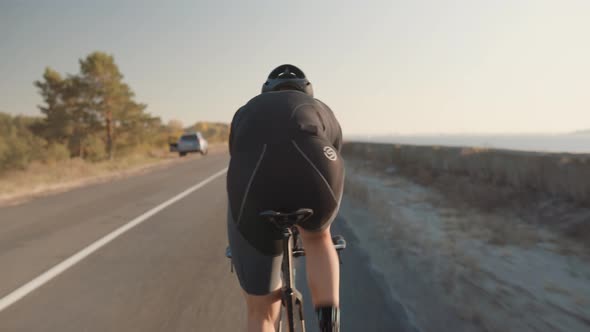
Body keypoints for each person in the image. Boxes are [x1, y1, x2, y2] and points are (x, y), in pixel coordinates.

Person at [227, 64, 344, 332]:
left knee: (261, 310)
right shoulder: (321, 109)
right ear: (307, 92)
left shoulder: (245, 110)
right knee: (318, 236)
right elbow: (336, 151)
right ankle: (329, 325)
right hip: (316, 164)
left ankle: (265, 312)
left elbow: (237, 156)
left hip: (254, 177)